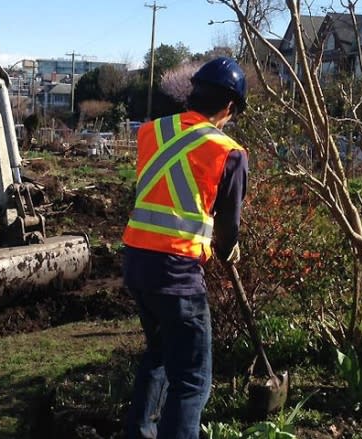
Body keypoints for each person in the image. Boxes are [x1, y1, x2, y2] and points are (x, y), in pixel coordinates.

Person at [122, 57, 248, 439]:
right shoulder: (229, 152)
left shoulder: (151, 132)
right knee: (193, 381)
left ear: (192, 93)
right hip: (176, 272)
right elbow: (228, 226)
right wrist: (228, 250)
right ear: (229, 107)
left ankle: (140, 432)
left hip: (136, 261)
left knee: (158, 355)